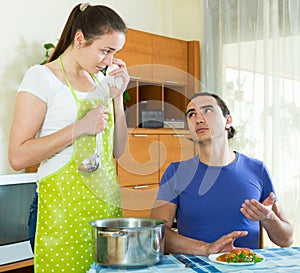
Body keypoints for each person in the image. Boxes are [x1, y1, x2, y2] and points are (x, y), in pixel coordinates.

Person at [8, 3, 129, 272]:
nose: (109, 61)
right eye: (105, 51)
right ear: (79, 39)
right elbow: (17, 156)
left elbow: (117, 150)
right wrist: (79, 128)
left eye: (114, 53)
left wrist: (117, 95)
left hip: (104, 212)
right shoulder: (41, 78)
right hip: (61, 214)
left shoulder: (100, 84)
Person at [150, 92, 293, 256]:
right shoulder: (176, 172)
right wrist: (206, 249)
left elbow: (286, 240)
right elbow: (157, 234)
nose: (198, 119)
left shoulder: (257, 169)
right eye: (191, 114)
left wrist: (268, 217)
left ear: (228, 120)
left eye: (207, 111)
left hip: (246, 268)